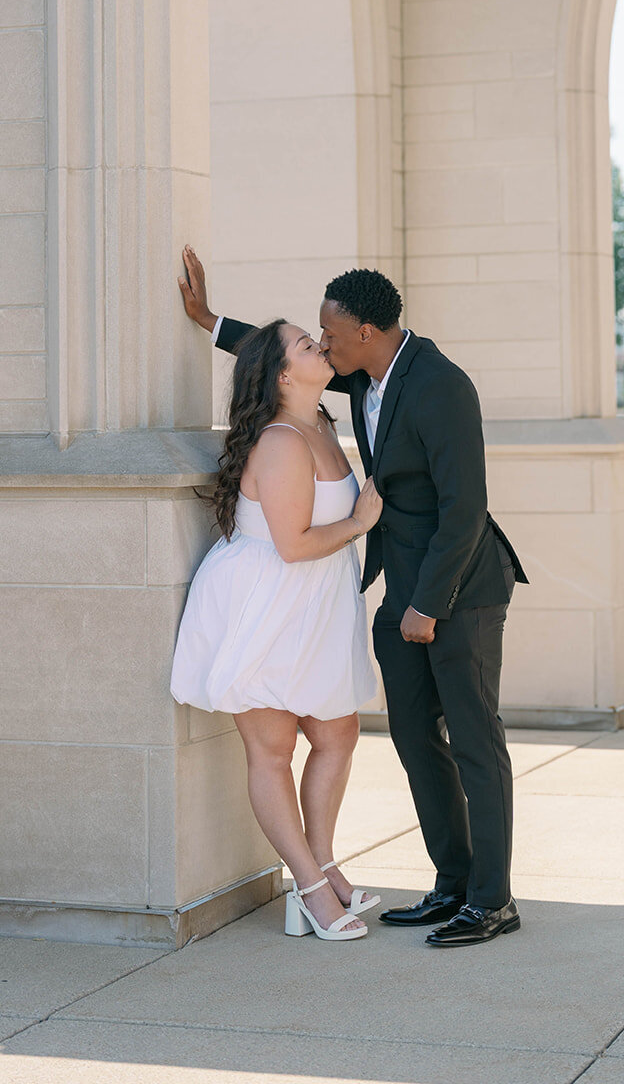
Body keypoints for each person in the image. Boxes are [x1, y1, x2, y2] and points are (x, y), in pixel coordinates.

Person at [179, 248, 529, 947]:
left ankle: (492, 901)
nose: (324, 344)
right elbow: (280, 366)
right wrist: (209, 320)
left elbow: (465, 508)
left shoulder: (439, 385)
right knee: (413, 739)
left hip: (458, 589)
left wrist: (427, 604)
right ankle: (451, 884)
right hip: (401, 592)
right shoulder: (363, 379)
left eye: (330, 334)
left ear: (364, 332)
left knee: (474, 742)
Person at [170, 318, 384, 943]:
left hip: (314, 602)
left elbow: (264, 350)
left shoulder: (319, 420)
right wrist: (361, 521)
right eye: (306, 344)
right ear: (285, 374)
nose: (321, 345)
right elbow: (292, 545)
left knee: (338, 731)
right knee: (273, 749)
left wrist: (212, 320)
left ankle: (320, 868)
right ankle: (312, 890)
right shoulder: (284, 441)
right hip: (265, 601)